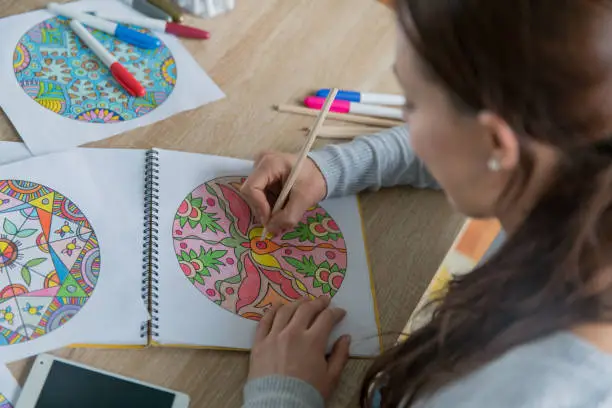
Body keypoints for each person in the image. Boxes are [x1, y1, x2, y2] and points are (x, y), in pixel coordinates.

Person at [240, 0, 612, 406]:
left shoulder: (521, 394)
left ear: (494, 142)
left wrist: (282, 396)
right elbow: (476, 147)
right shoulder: (580, 166)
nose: (405, 120)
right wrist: (333, 168)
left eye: (412, 104)